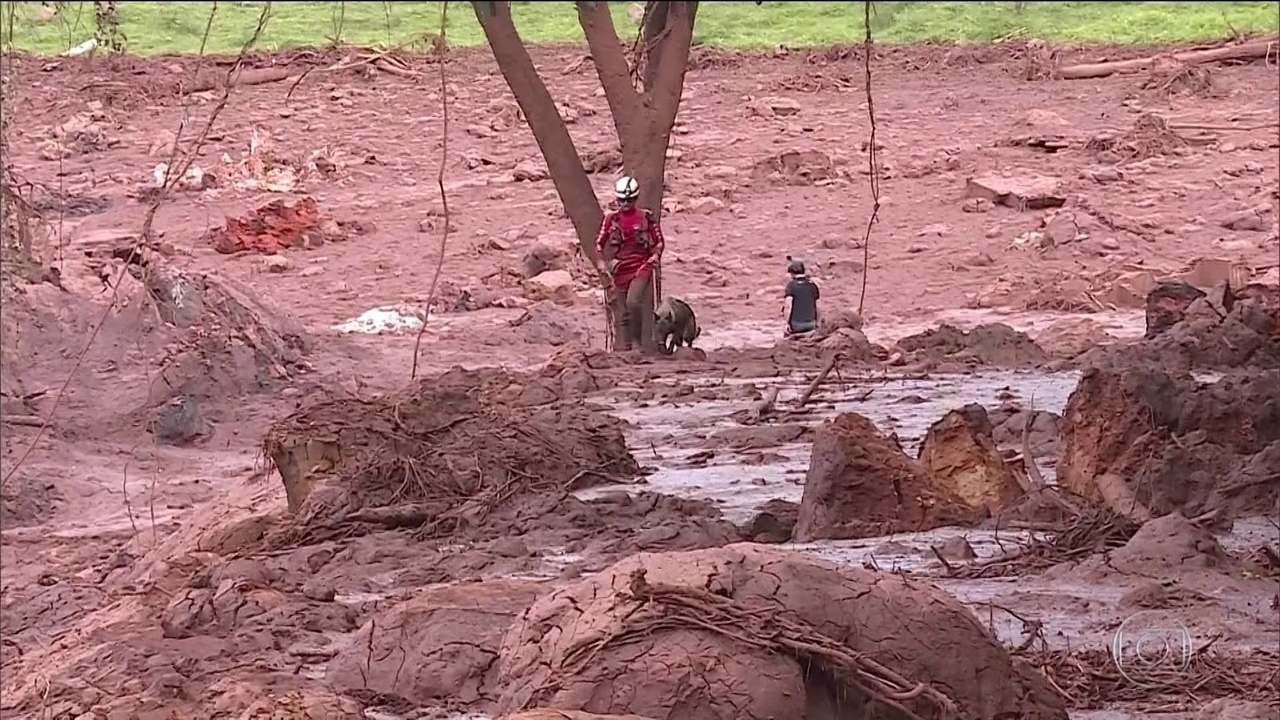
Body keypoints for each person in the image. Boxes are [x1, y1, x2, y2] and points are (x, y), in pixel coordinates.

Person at [593, 176, 665, 353]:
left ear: (635, 199)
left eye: (629, 200)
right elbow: (599, 244)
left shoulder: (646, 217)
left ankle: (636, 344)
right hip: (620, 268)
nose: (625, 203)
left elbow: (659, 241)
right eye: (622, 200)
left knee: (633, 301)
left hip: (642, 265)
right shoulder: (611, 219)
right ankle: (625, 348)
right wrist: (603, 264)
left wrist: (655, 256)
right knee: (623, 310)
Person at [782, 257, 820, 337]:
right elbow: (818, 306)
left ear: (792, 273)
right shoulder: (812, 285)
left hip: (796, 325)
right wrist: (817, 322)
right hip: (811, 324)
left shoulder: (791, 286)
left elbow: (788, 306)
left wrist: (786, 324)